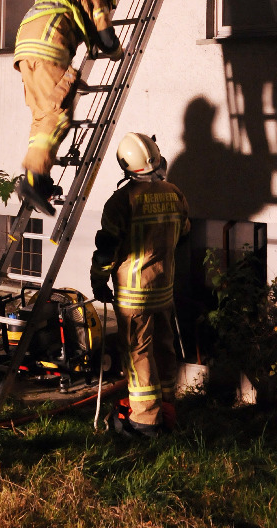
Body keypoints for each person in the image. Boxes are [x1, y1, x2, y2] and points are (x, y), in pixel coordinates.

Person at [90, 132, 190, 439]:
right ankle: (167, 408)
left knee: (138, 355)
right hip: (164, 290)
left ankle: (145, 420)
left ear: (125, 165)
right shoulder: (174, 193)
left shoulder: (121, 201)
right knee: (164, 348)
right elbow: (184, 231)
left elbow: (107, 249)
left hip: (134, 296)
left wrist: (98, 280)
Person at [13, 0, 123, 216]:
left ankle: (38, 181)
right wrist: (119, 52)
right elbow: (106, 40)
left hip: (25, 52)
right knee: (57, 115)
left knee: (42, 117)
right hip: (47, 50)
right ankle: (34, 180)